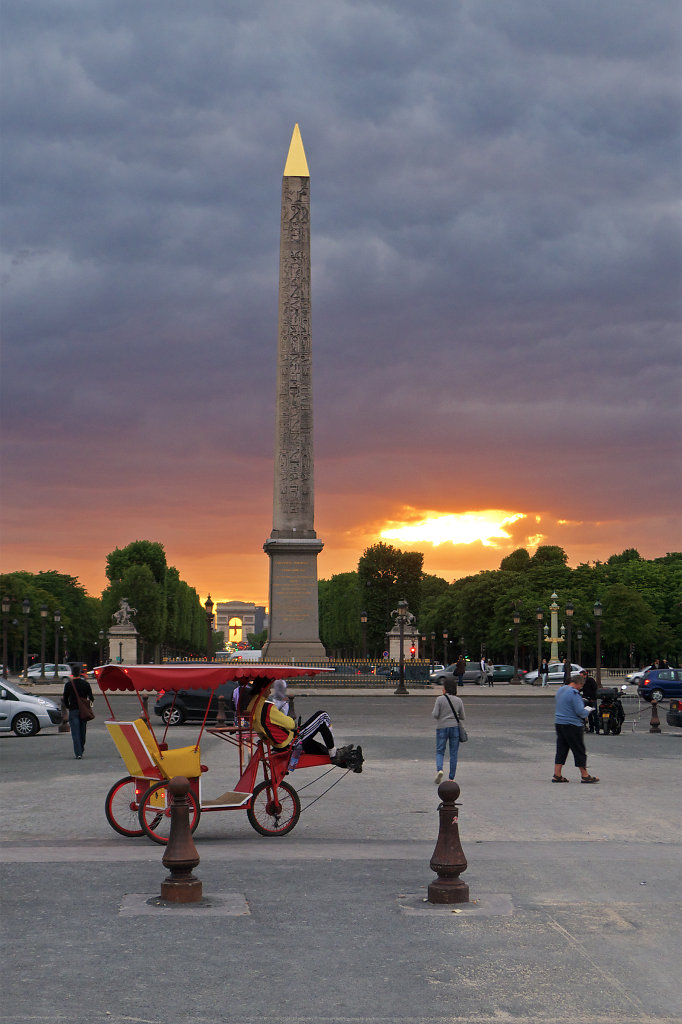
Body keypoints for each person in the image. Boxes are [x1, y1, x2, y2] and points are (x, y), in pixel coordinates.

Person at [245, 678, 363, 771]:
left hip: (279, 743)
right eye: (268, 689)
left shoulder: (252, 706)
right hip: (290, 742)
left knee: (320, 750)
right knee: (322, 716)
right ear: (262, 688)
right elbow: (291, 724)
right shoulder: (266, 707)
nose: (270, 691)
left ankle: (349, 764)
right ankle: (334, 752)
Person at [553, 673, 599, 783]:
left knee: (561, 749)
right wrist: (588, 710)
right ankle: (585, 775)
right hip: (572, 725)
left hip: (559, 723)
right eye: (581, 686)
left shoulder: (561, 690)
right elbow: (580, 712)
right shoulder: (574, 693)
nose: (581, 688)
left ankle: (557, 774)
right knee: (579, 750)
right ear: (578, 683)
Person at [432, 680, 465, 783]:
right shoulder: (458, 700)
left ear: (445, 689)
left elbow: (435, 714)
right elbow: (463, 716)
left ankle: (440, 769)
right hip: (454, 727)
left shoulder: (440, 699)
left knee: (440, 751)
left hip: (441, 727)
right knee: (453, 753)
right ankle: (451, 778)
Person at [62, 663, 94, 760]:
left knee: (75, 732)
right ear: (80, 673)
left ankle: (78, 753)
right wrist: (88, 705)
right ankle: (81, 748)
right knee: (82, 731)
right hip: (83, 711)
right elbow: (91, 697)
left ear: (72, 673)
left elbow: (65, 698)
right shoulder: (85, 684)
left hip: (73, 710)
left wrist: (68, 706)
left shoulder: (68, 685)